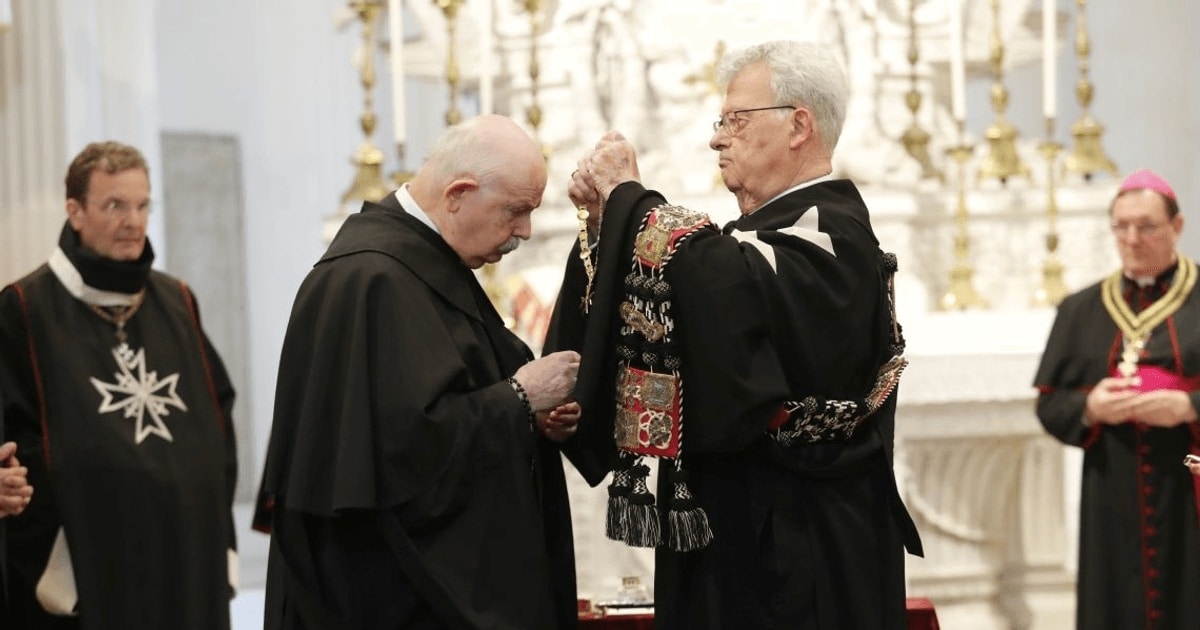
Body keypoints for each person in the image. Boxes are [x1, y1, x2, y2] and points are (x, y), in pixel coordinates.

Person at [547, 40, 922, 629]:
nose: (717, 138)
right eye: (720, 122)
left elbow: (726, 286)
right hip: (730, 524)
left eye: (734, 120)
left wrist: (629, 200)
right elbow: (678, 294)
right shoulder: (754, 236)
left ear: (799, 125)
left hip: (800, 542)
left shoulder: (832, 231)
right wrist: (604, 224)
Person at [256, 114, 584, 629]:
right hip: (384, 597)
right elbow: (400, 454)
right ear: (458, 193)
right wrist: (519, 397)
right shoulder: (371, 279)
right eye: (516, 211)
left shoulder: (423, 266)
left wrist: (530, 418)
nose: (524, 231)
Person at [0, 141, 239, 630]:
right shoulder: (24, 309)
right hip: (88, 564)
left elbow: (217, 416)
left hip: (186, 556)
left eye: (142, 205)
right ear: (75, 212)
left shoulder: (177, 300)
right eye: (114, 205)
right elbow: (11, 438)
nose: (133, 221)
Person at [1034, 168, 1200, 629]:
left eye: (1146, 226)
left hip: (1189, 484)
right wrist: (1091, 408)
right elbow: (1049, 406)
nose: (1131, 238)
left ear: (1177, 226)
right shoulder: (1080, 309)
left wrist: (1189, 407)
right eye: (1121, 227)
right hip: (1112, 489)